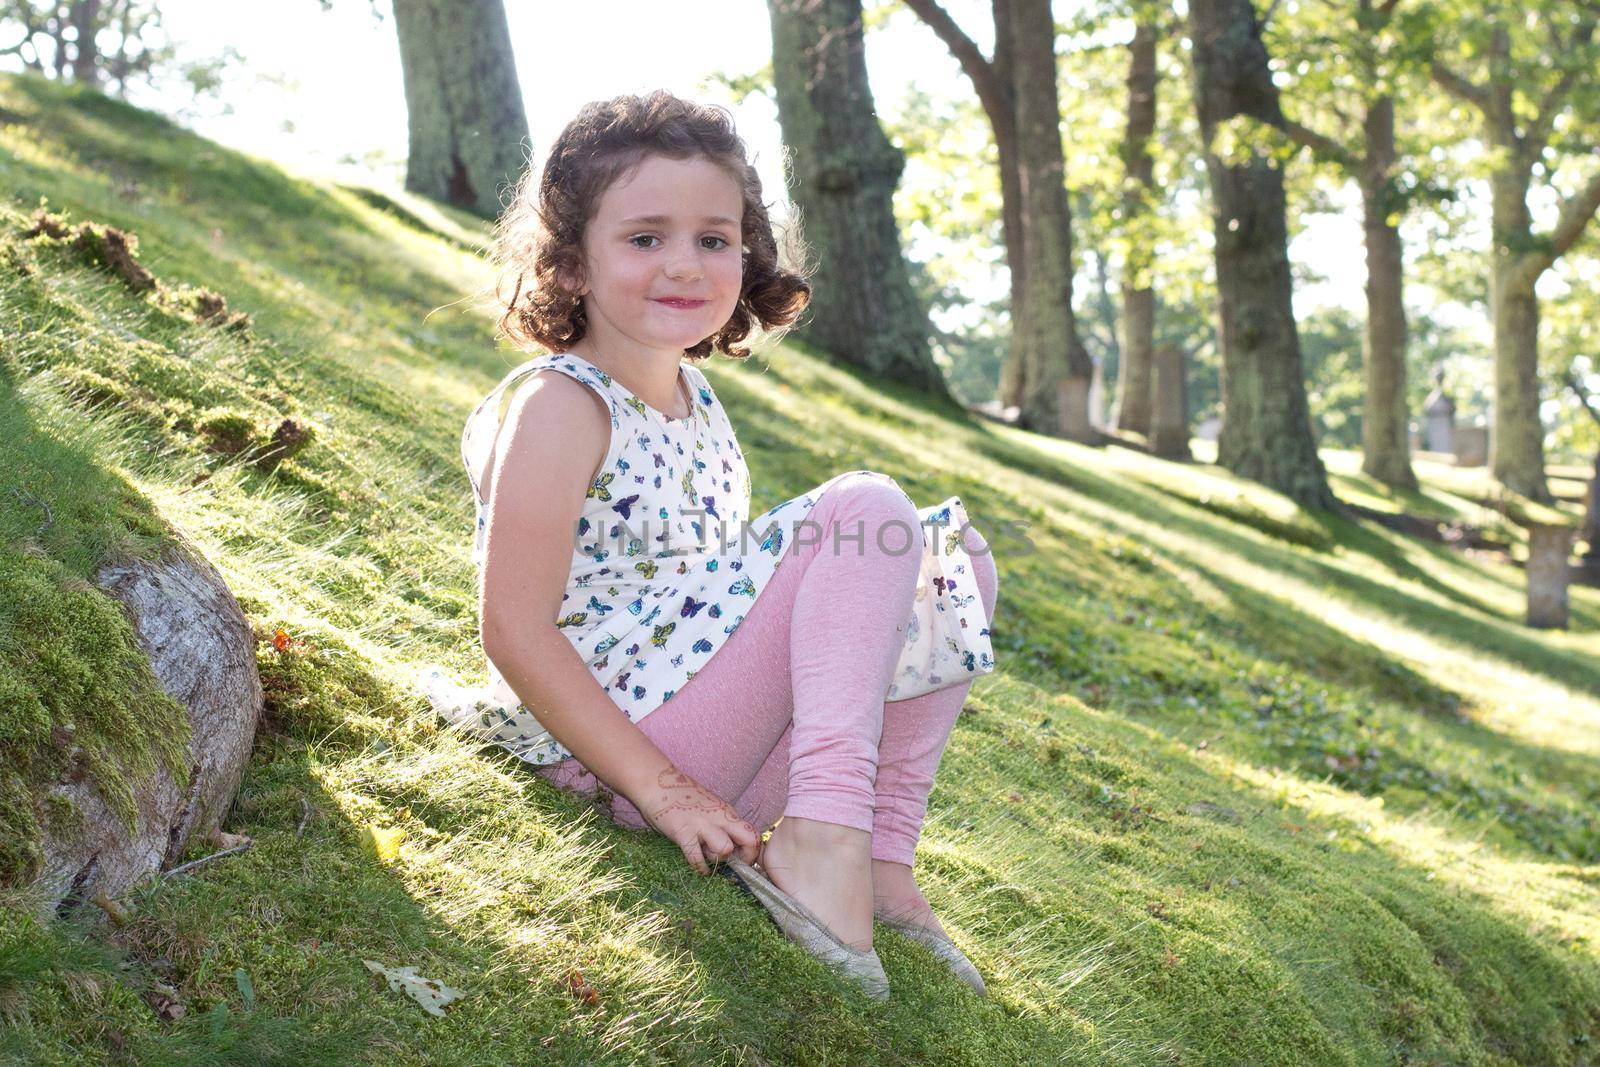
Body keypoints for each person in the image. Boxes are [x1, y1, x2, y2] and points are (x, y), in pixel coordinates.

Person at [433, 90, 999, 997]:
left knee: (954, 560)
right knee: (867, 507)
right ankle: (819, 841)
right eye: (645, 237)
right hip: (607, 741)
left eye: (713, 238)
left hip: (708, 726)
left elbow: (730, 610)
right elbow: (514, 629)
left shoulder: (701, 408)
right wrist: (659, 788)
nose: (684, 265)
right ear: (572, 261)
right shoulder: (559, 405)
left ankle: (879, 856)